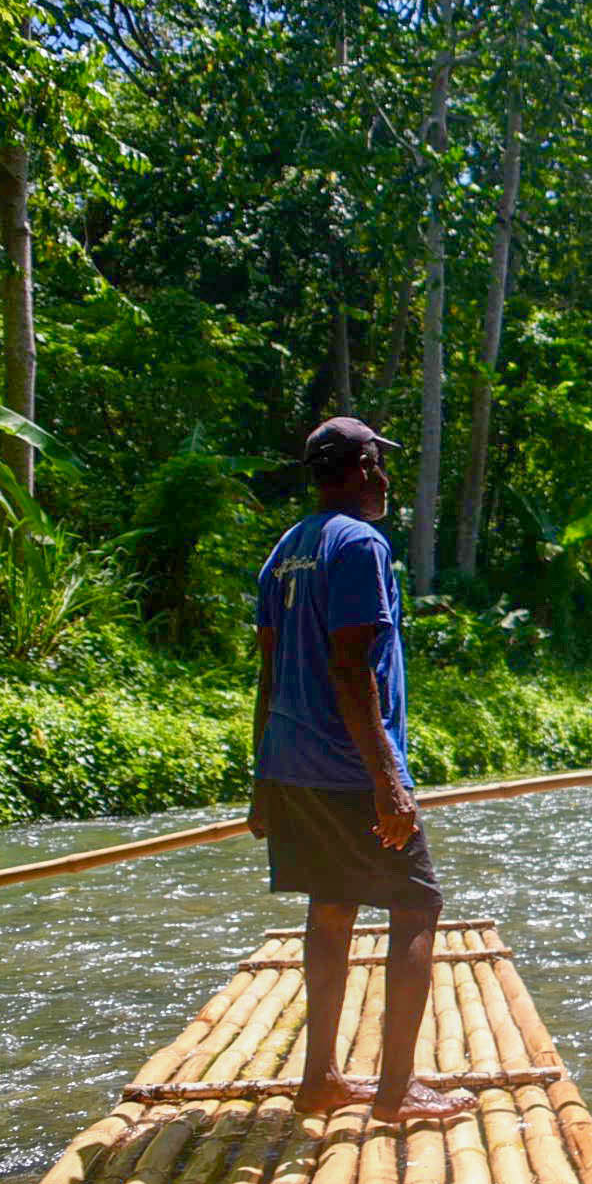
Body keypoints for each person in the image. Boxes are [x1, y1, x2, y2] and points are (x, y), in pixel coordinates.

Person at [247, 416, 475, 1122]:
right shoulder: (360, 545)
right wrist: (389, 782)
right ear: (358, 467)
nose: (384, 479)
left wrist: (262, 780)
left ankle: (320, 1079)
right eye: (377, 464)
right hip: (347, 765)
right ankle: (396, 1089)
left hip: (293, 764)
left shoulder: (287, 550)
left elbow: (268, 673)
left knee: (333, 904)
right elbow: (351, 671)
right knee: (417, 906)